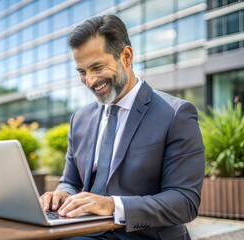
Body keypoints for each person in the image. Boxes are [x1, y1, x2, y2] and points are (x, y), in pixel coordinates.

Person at [40, 14, 205, 240]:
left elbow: (184, 202)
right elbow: (71, 181)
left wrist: (112, 205)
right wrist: (61, 194)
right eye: (81, 72)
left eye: (97, 67)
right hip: (82, 232)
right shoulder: (80, 118)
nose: (89, 81)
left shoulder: (176, 114)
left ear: (126, 56)